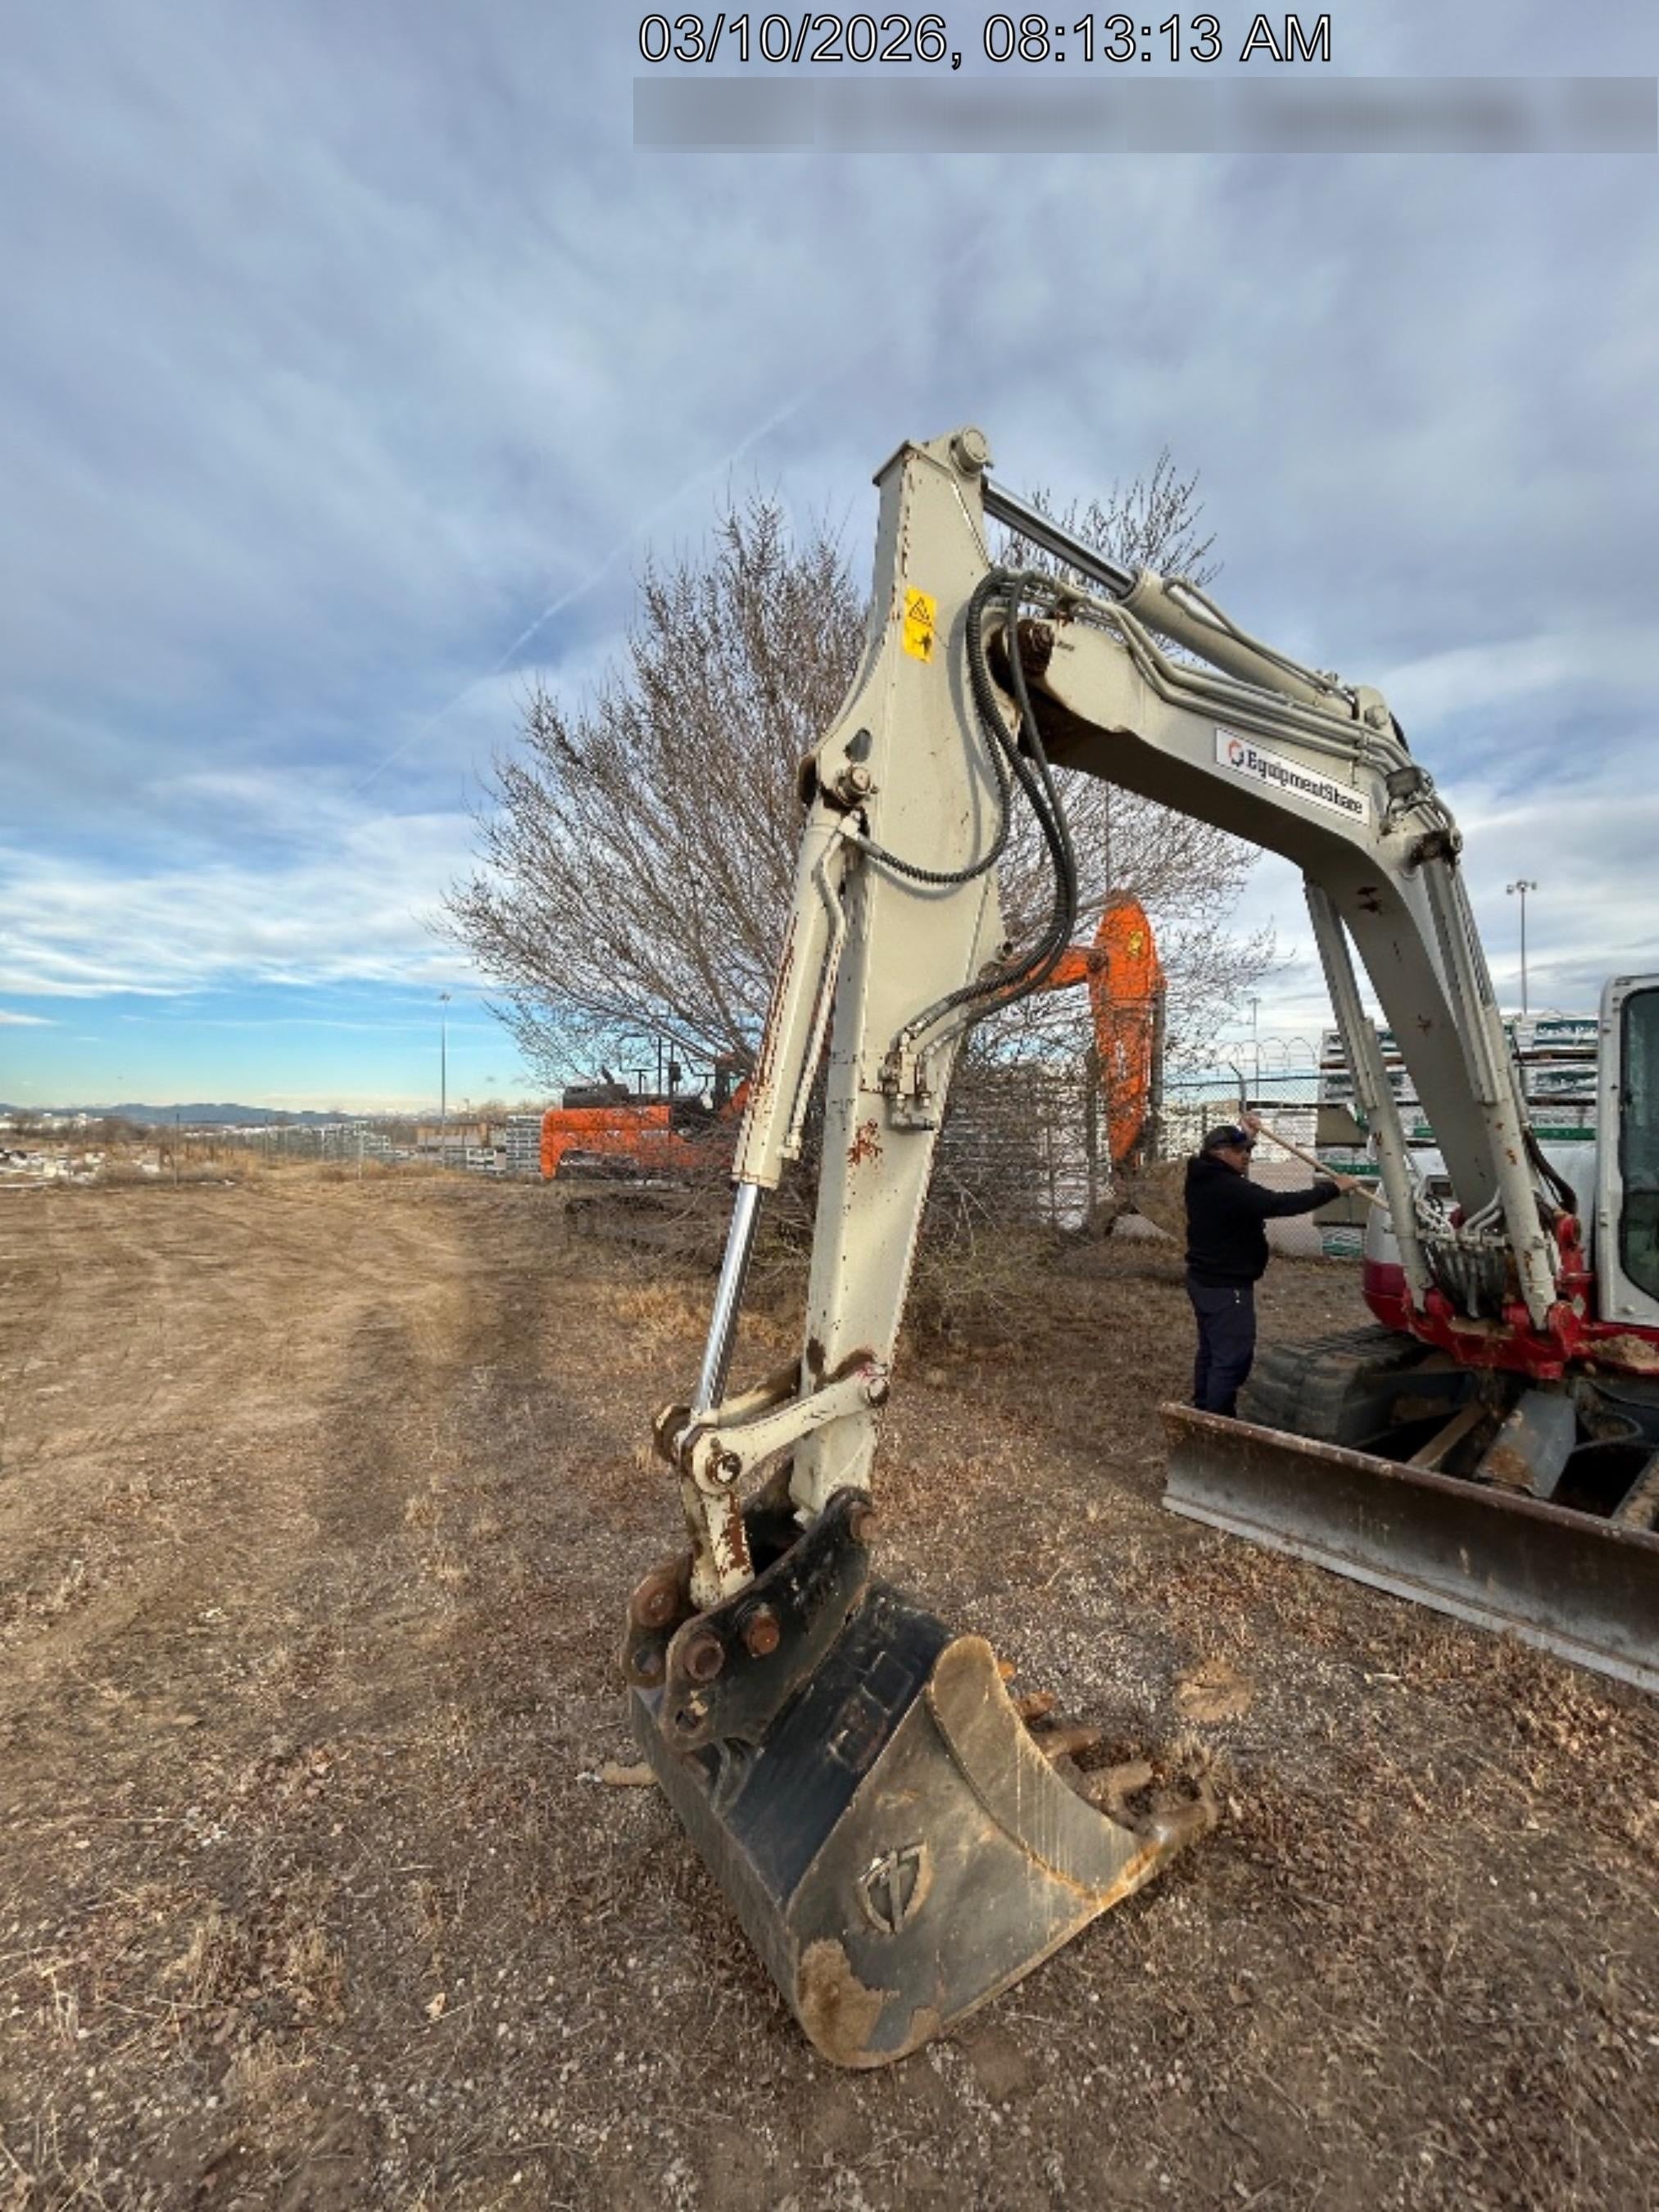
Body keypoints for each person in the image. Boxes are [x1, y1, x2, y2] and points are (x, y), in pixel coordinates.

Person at [1183, 1113, 1362, 1417]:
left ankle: (1203, 1408)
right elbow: (1280, 1204)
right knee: (1232, 1359)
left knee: (1212, 1350)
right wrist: (1334, 1188)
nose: (1246, 1157)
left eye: (1249, 1151)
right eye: (1241, 1152)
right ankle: (1217, 1423)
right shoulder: (1229, 1189)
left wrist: (1246, 1134)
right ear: (1220, 1153)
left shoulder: (1201, 1175)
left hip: (1204, 1280)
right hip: (1226, 1287)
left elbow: (1242, 1182)